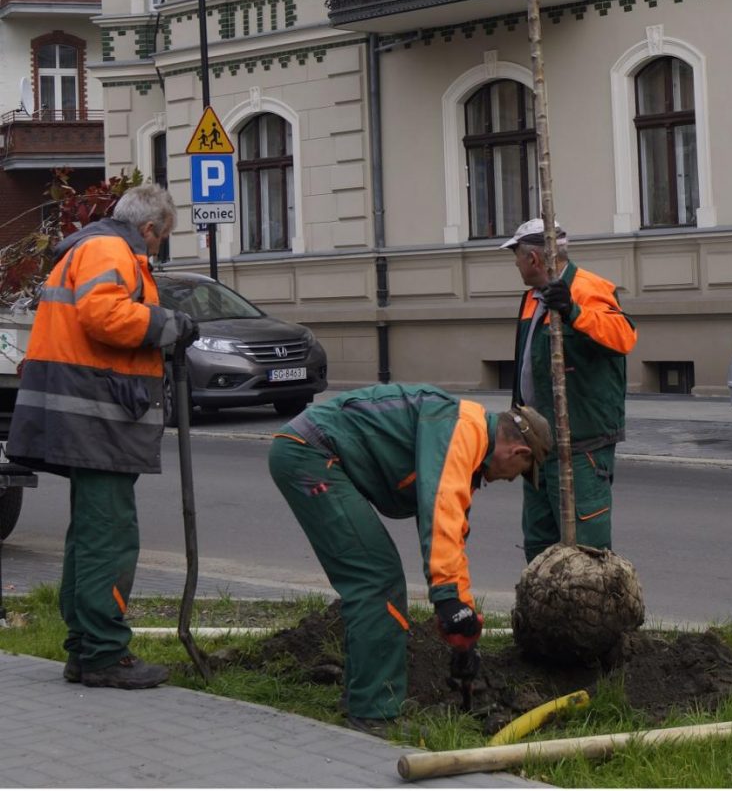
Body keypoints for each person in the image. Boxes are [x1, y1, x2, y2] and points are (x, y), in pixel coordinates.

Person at [269, 382, 552, 733]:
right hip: (310, 453)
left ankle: (361, 698)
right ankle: (373, 714)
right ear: (519, 452)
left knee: (376, 578)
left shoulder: (466, 436)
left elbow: (452, 533)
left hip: (315, 454)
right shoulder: (464, 429)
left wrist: (463, 628)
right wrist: (447, 599)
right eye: (522, 474)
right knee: (377, 580)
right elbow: (441, 510)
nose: (511, 481)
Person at [6, 184, 199, 689]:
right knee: (109, 535)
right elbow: (104, 314)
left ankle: (85, 647)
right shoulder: (110, 249)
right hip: (96, 418)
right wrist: (168, 324)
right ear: (150, 228)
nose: (157, 250)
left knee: (93, 533)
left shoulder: (93, 247)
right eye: (161, 240)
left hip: (90, 416)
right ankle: (102, 653)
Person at [501, 218, 637, 563]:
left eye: (516, 256)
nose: (514, 263)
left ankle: (587, 617)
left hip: (580, 446)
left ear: (533, 259)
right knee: (539, 547)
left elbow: (623, 337)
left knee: (585, 553)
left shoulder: (587, 288)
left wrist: (572, 311)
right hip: (537, 447)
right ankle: (542, 615)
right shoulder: (532, 298)